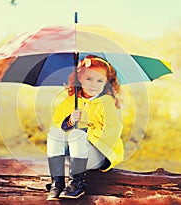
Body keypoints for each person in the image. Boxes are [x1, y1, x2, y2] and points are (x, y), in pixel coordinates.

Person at [46, 55, 124, 201]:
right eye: (89, 79)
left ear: (106, 82)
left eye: (99, 80)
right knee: (55, 133)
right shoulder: (70, 102)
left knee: (77, 134)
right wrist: (69, 121)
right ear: (80, 78)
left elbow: (112, 133)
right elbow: (56, 126)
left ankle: (77, 183)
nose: (93, 84)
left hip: (99, 153)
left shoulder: (107, 104)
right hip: (72, 155)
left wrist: (85, 132)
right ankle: (57, 182)